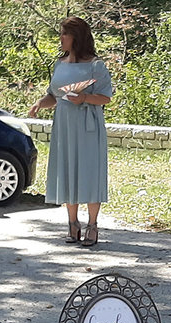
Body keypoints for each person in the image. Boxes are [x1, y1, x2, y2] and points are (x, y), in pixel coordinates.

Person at [29, 17, 112, 247]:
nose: (61, 38)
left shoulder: (96, 65)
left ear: (77, 37)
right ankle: (72, 223)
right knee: (68, 169)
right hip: (64, 125)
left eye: (65, 34)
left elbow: (105, 97)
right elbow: (54, 96)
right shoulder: (60, 64)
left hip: (88, 124)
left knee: (89, 171)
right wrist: (39, 103)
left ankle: (92, 225)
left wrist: (84, 97)